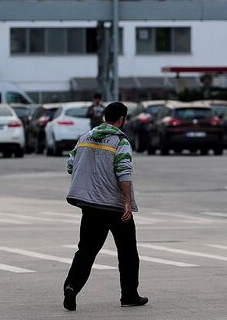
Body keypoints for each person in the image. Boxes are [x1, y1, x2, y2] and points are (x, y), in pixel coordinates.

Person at [63, 102, 147, 311]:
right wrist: (127, 202)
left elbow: (71, 165)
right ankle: (129, 295)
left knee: (86, 251)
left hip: (90, 205)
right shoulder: (120, 140)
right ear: (122, 119)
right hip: (115, 206)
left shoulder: (84, 137)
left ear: (104, 117)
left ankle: (72, 286)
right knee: (127, 252)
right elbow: (123, 170)